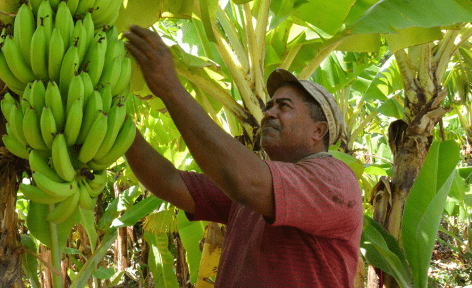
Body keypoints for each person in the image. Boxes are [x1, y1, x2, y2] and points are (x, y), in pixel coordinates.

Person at [123, 25, 363, 287]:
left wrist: (170, 89)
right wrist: (117, 124)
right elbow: (170, 182)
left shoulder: (334, 181)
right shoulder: (256, 188)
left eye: (284, 107)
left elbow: (244, 180)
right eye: (270, 105)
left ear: (318, 131)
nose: (269, 113)